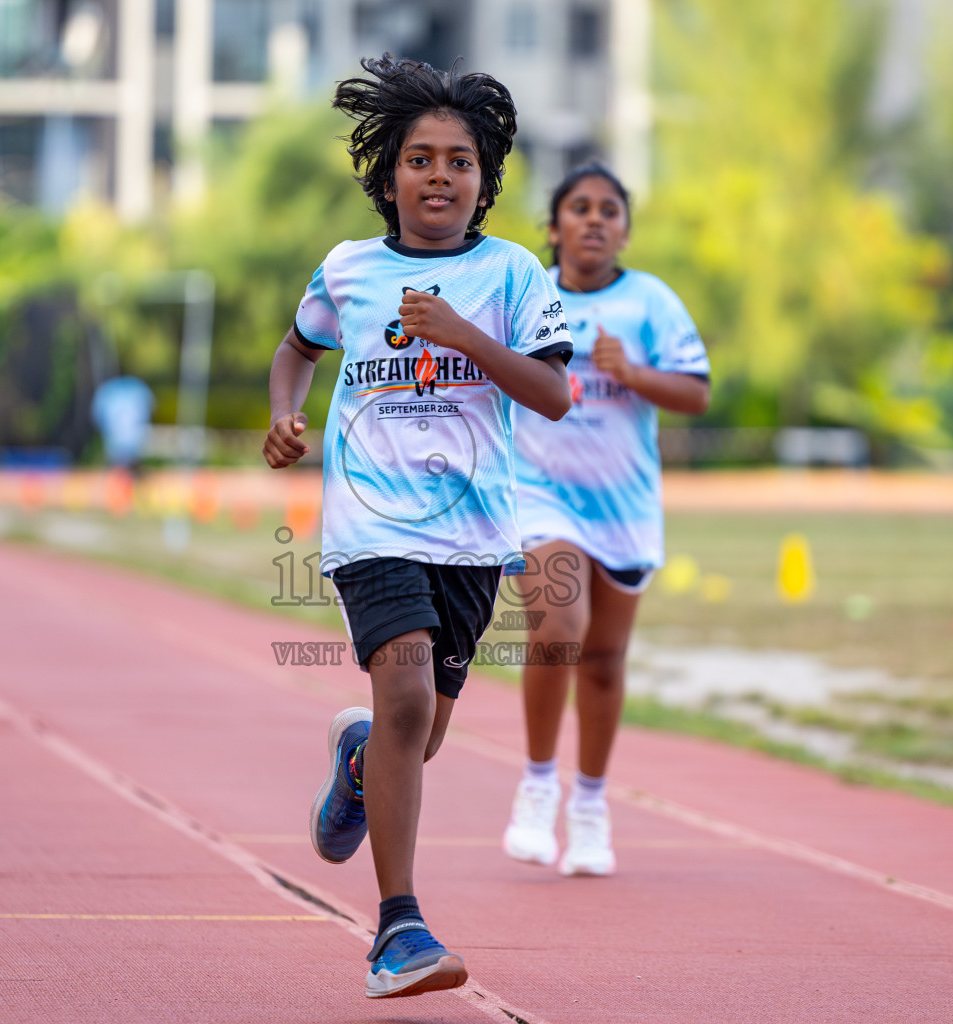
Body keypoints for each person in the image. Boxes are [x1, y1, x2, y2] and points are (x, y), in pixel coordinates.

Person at [263, 54, 572, 999]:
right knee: (401, 705)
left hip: (474, 537)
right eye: (420, 158)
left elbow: (555, 393)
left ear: (486, 182)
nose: (440, 175)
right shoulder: (348, 270)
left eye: (461, 162)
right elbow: (296, 347)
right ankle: (397, 932)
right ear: (386, 172)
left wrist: (464, 335)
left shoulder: (513, 274)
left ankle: (358, 763)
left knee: (419, 735)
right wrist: (285, 412)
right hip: (370, 526)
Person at [502, 163, 711, 877]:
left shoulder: (650, 301)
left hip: (623, 506)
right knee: (560, 630)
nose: (595, 220)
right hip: (540, 492)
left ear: (624, 229)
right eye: (580, 208)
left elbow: (696, 394)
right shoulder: (527, 294)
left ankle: (589, 806)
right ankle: (536, 786)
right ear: (554, 224)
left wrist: (634, 374)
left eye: (609, 211)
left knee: (604, 661)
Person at [90, 375, 155, 473]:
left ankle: (119, 475)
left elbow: (97, 417)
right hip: (133, 443)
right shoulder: (139, 388)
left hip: (115, 444)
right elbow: (149, 412)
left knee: (119, 471)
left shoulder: (107, 390)